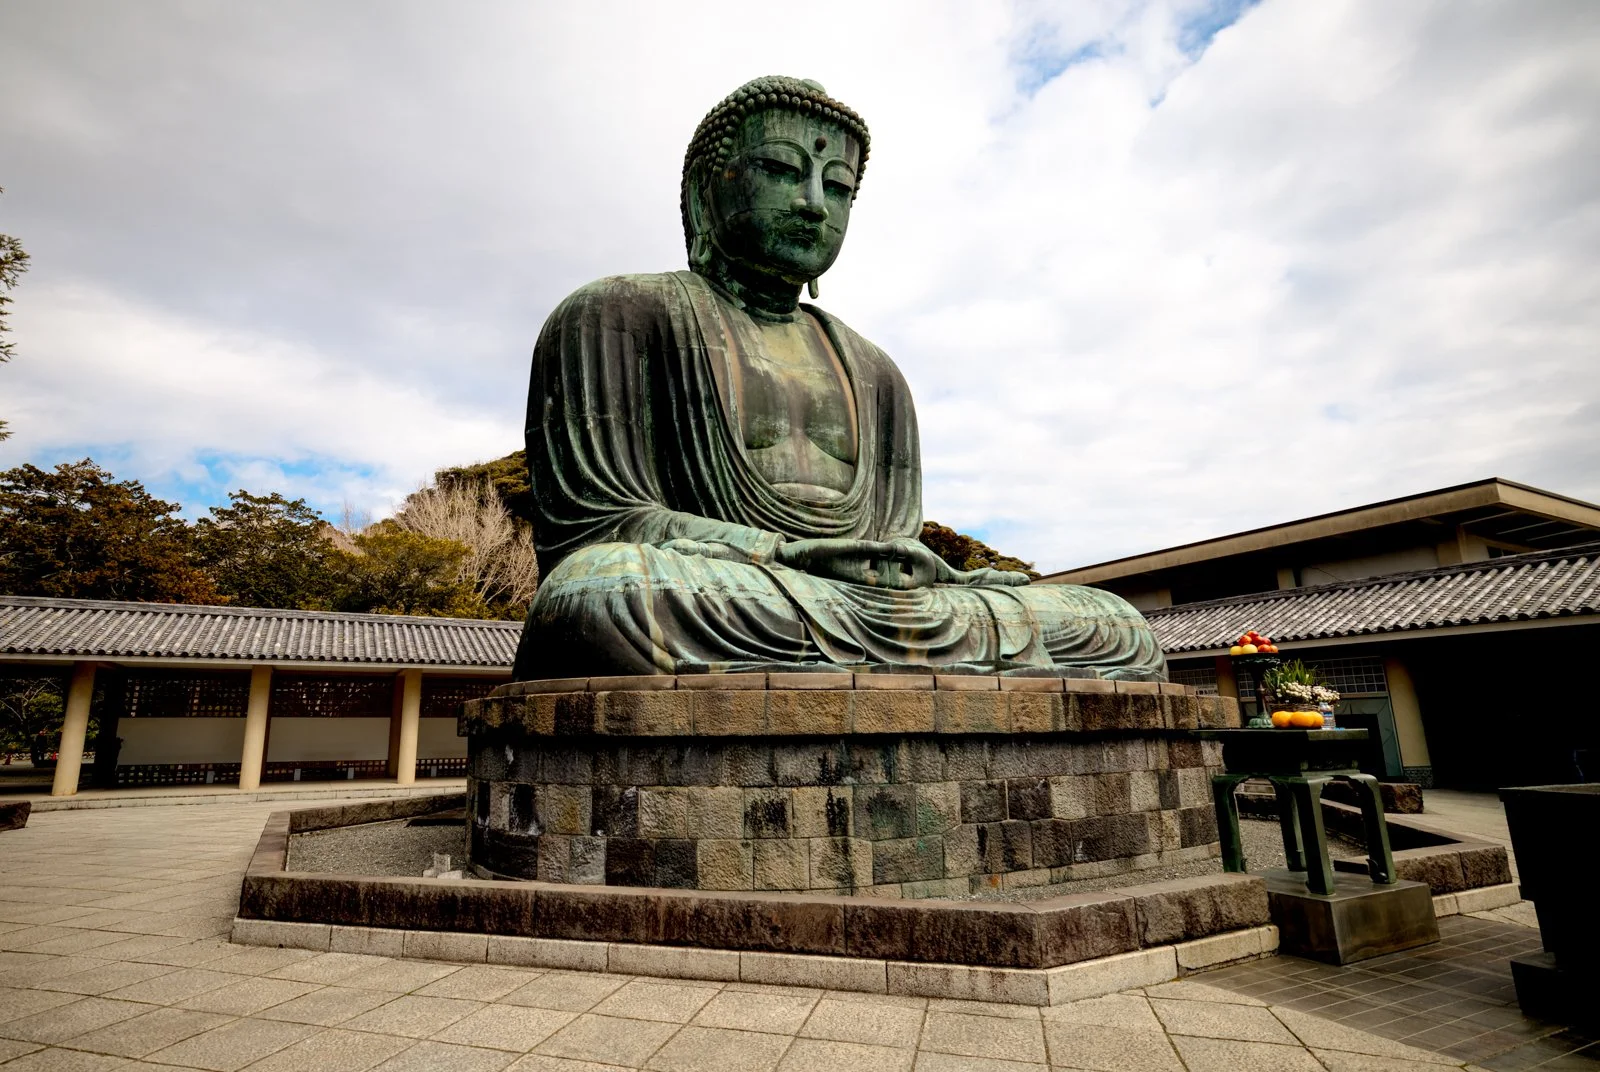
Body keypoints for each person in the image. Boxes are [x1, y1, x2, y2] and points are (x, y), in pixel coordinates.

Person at [513, 76, 1165, 682]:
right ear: (705, 192)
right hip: (728, 586)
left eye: (838, 188)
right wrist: (779, 554)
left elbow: (893, 547)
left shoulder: (876, 371)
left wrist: (931, 573)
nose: (812, 204)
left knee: (1116, 624)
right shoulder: (616, 315)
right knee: (603, 591)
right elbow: (596, 529)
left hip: (859, 606)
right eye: (780, 170)